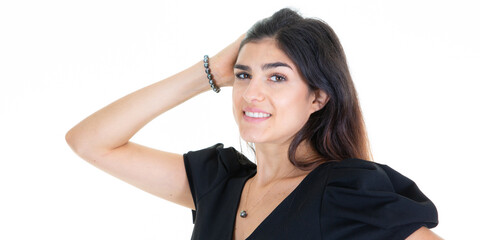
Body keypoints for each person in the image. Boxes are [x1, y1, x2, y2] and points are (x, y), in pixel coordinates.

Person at [66, 8, 440, 240]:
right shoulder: (219, 184)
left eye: (277, 77)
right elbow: (90, 142)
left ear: (318, 97)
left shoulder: (344, 192)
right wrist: (209, 72)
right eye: (244, 75)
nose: (251, 94)